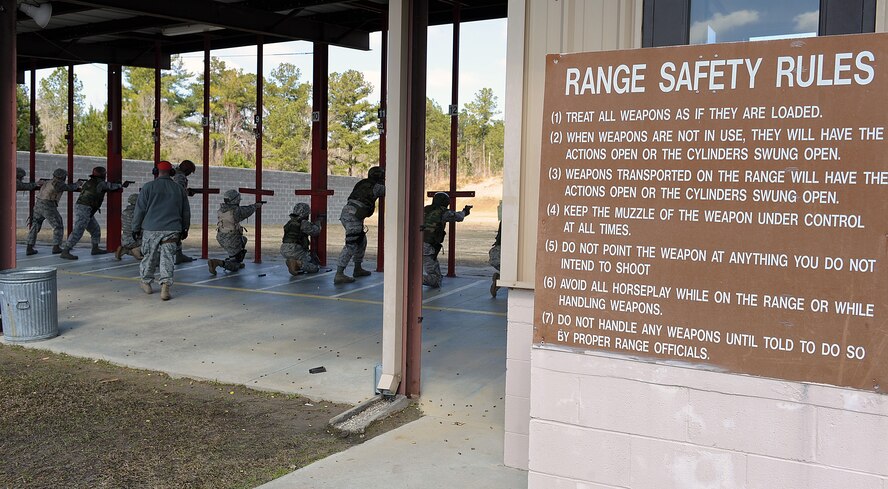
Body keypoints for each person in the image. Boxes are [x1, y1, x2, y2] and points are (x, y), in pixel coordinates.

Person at [132, 160, 190, 301]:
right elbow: (185, 212)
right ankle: (165, 287)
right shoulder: (179, 189)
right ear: (171, 172)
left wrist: (135, 228)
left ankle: (146, 283)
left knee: (149, 257)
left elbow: (140, 210)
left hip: (151, 229)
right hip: (172, 229)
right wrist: (185, 228)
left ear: (156, 171)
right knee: (168, 258)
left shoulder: (148, 187)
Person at [60, 166, 128, 260]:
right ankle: (66, 251)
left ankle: (95, 248)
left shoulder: (89, 182)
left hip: (86, 208)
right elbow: (110, 186)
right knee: (78, 230)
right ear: (103, 175)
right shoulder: (100, 183)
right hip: (85, 208)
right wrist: (121, 185)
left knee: (95, 229)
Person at [335, 166, 385, 284]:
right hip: (353, 216)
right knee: (351, 244)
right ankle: (339, 273)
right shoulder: (377, 187)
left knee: (362, 241)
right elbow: (392, 191)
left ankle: (358, 268)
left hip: (349, 213)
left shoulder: (362, 183)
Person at [25, 168, 80, 256]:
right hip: (48, 205)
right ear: (62, 177)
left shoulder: (48, 182)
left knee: (35, 225)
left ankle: (29, 247)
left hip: (38, 204)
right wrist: (78, 184)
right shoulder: (57, 183)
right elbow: (70, 188)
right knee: (58, 225)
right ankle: (56, 247)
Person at [422, 192, 472, 288]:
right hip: (427, 247)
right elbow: (459, 217)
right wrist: (465, 211)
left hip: (413, 244)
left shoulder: (424, 209)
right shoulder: (443, 212)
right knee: (436, 280)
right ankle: (414, 278)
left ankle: (408, 276)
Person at [208, 189, 263, 275]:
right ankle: (217, 263)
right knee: (234, 267)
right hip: (231, 239)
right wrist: (256, 206)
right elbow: (247, 210)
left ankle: (235, 260)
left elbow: (242, 209)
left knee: (243, 239)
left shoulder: (222, 208)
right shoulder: (236, 211)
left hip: (221, 236)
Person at [280, 203, 322, 275]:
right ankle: (296, 262)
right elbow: (315, 232)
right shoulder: (303, 223)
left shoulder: (290, 222)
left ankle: (292, 262)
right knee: (314, 267)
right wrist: (318, 222)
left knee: (302, 261)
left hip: (285, 249)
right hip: (295, 249)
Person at [172, 160, 197, 264]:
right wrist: (187, 193)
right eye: (190, 172)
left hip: (173, 205)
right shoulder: (180, 177)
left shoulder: (175, 174)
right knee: (178, 229)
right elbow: (178, 191)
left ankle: (179, 254)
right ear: (186, 169)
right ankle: (177, 255)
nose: (189, 174)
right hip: (176, 207)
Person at [115, 193, 143, 260]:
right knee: (153, 243)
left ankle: (125, 250)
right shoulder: (138, 213)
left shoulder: (125, 212)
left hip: (124, 239)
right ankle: (135, 250)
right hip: (135, 240)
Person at [489, 222, 502, 298]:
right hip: (501, 255)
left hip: (495, 254)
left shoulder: (504, 220)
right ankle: (500, 279)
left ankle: (500, 278)